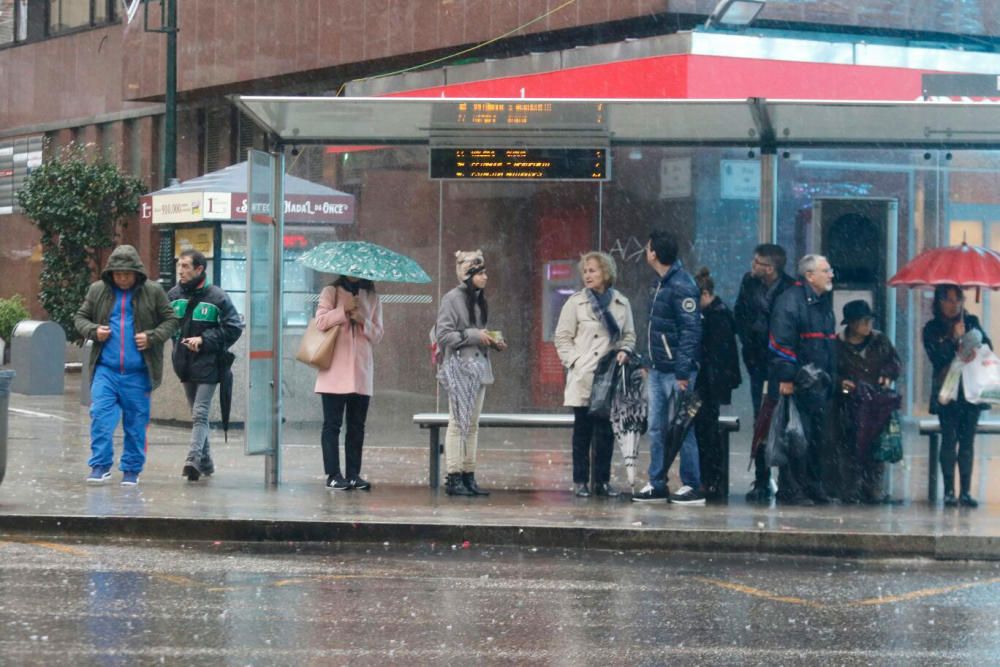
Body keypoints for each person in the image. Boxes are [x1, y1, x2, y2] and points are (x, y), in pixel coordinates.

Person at [75, 244, 179, 485]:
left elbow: (171, 320)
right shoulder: (97, 290)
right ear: (110, 273)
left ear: (136, 273)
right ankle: (100, 465)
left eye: (127, 274)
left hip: (138, 372)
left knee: (135, 423)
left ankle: (132, 469)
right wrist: (93, 330)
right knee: (100, 416)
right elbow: (80, 317)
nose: (122, 278)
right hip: (106, 369)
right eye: (117, 273)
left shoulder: (152, 291)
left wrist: (152, 336)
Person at [554, 251, 636, 498]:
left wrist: (624, 350)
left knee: (606, 433)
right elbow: (562, 337)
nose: (588, 275)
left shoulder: (621, 302)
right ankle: (580, 481)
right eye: (585, 271)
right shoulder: (576, 302)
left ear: (606, 273)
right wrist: (575, 362)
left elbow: (629, 335)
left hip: (609, 377)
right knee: (583, 432)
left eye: (593, 270)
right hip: (585, 375)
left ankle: (602, 481)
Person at [632, 230, 704, 505]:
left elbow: (690, 331)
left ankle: (691, 483)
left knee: (681, 428)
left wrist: (683, 372)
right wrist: (649, 362)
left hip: (676, 371)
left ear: (654, 253)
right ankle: (657, 481)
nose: (645, 252)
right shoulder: (661, 283)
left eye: (648, 248)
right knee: (657, 428)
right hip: (659, 368)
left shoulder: (681, 285)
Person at [435, 250, 507, 496]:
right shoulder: (451, 299)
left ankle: (468, 474)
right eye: (480, 273)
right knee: (458, 423)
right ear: (468, 275)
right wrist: (476, 335)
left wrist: (493, 341)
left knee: (472, 424)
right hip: (460, 368)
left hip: (479, 369)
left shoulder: (478, 300)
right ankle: (454, 476)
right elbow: (443, 335)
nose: (485, 277)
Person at [167, 250, 244, 481]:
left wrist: (204, 340)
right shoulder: (173, 295)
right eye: (179, 266)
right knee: (196, 414)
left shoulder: (217, 297)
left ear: (199, 269)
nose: (180, 271)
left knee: (200, 412)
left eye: (186, 266)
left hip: (209, 364)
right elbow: (166, 324)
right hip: (184, 363)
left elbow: (233, 328)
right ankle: (206, 461)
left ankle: (192, 459)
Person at [768, 254, 837, 505]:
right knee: (795, 436)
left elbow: (828, 343)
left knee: (816, 439)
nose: (830, 275)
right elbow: (781, 343)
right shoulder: (790, 302)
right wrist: (787, 376)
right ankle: (791, 488)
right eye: (826, 270)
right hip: (798, 384)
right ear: (809, 275)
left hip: (819, 384)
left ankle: (812, 485)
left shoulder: (821, 303)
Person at [733, 243, 795, 503]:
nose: (752, 265)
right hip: (759, 362)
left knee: (787, 422)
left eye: (758, 262)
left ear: (770, 268)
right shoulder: (749, 283)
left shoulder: (790, 289)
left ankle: (789, 480)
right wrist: (750, 340)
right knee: (762, 420)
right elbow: (740, 315)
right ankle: (761, 478)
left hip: (782, 362)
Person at [314, 273, 384, 491]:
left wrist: (362, 319)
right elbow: (320, 322)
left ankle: (354, 474)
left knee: (357, 427)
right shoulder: (331, 292)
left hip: (361, 372)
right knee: (332, 425)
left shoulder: (372, 296)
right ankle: (333, 474)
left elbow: (379, 334)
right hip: (334, 371)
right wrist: (343, 310)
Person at [923, 284, 991, 508]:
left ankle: (966, 491)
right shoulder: (932, 328)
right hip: (948, 392)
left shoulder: (971, 322)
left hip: (970, 391)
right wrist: (954, 340)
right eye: (948, 300)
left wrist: (970, 338)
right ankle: (949, 491)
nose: (954, 305)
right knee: (949, 440)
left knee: (967, 442)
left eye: (957, 299)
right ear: (939, 302)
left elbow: (987, 348)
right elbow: (938, 357)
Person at [836, 300, 901, 504]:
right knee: (850, 447)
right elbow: (831, 371)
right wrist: (843, 385)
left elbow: (894, 363)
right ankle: (851, 489)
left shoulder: (880, 341)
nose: (868, 325)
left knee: (877, 447)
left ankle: (874, 489)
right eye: (864, 321)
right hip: (850, 405)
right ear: (852, 324)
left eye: (869, 320)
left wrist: (887, 374)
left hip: (876, 405)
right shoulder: (838, 345)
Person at [692, 267, 741, 500]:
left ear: (704, 295)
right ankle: (710, 479)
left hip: (708, 386)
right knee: (706, 432)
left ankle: (709, 479)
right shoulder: (720, 314)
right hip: (712, 385)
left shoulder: (716, 317)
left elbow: (714, 357)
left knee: (706, 433)